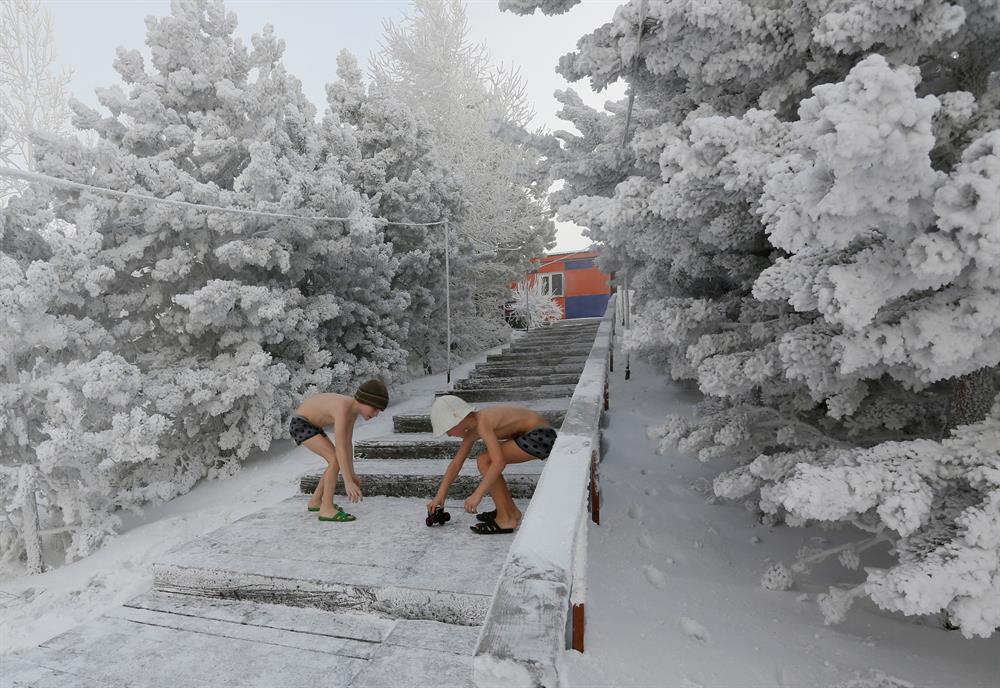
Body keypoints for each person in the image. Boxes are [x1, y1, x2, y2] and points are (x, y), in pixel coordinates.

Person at [426, 395, 557, 534]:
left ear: (457, 419)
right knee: (484, 459)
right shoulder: (475, 427)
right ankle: (511, 512)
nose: (448, 434)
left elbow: (499, 463)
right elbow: (456, 463)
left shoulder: (483, 423)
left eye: (447, 430)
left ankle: (506, 519)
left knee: (485, 460)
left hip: (541, 436)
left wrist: (477, 495)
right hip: (535, 434)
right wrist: (440, 495)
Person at [290, 380, 389, 522]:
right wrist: (347, 481)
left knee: (335, 459)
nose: (376, 414)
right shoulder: (343, 408)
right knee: (335, 460)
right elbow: (340, 447)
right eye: (375, 408)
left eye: (379, 410)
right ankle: (326, 509)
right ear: (364, 400)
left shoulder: (351, 411)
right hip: (301, 423)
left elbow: (347, 443)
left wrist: (352, 474)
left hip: (311, 424)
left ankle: (315, 501)